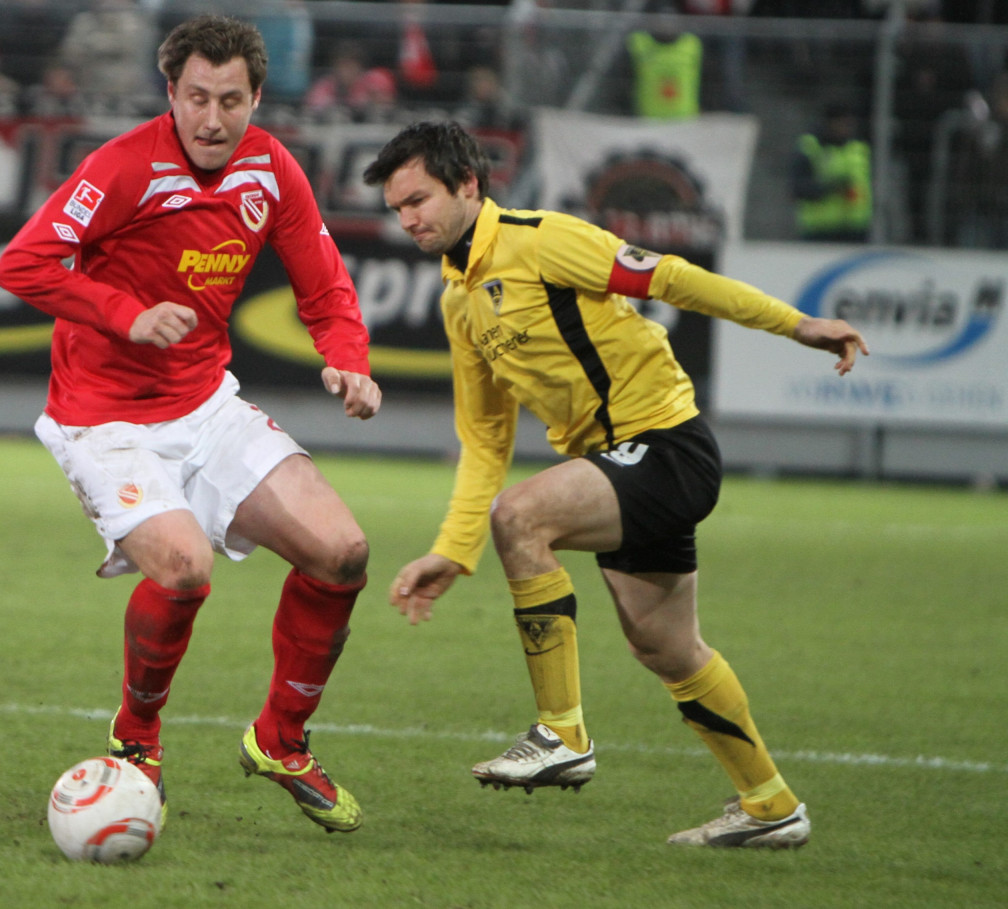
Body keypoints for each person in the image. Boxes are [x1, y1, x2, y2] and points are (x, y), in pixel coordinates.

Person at [362, 121, 868, 848]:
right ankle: (770, 805)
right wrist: (453, 549)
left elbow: (672, 278)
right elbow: (485, 441)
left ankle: (561, 733)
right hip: (617, 467)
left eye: (418, 200)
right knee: (667, 647)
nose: (408, 219)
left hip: (666, 446)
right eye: (397, 208)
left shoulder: (542, 239)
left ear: (467, 184)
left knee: (522, 517)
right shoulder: (459, 300)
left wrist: (796, 325)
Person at [0, 15, 382, 835]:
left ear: (257, 98)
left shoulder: (272, 170)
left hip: (205, 404)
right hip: (103, 419)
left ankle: (280, 739)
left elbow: (323, 283)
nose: (212, 119)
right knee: (182, 568)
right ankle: (136, 737)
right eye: (197, 97)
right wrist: (125, 314)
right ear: (170, 91)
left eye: (230, 101)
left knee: (342, 552)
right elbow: (23, 262)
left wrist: (349, 359)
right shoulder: (123, 166)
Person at [791, 101, 872, 243]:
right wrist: (831, 188)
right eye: (843, 123)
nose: (847, 128)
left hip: (855, 229)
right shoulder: (810, 147)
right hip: (819, 230)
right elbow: (798, 187)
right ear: (829, 123)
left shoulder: (859, 148)